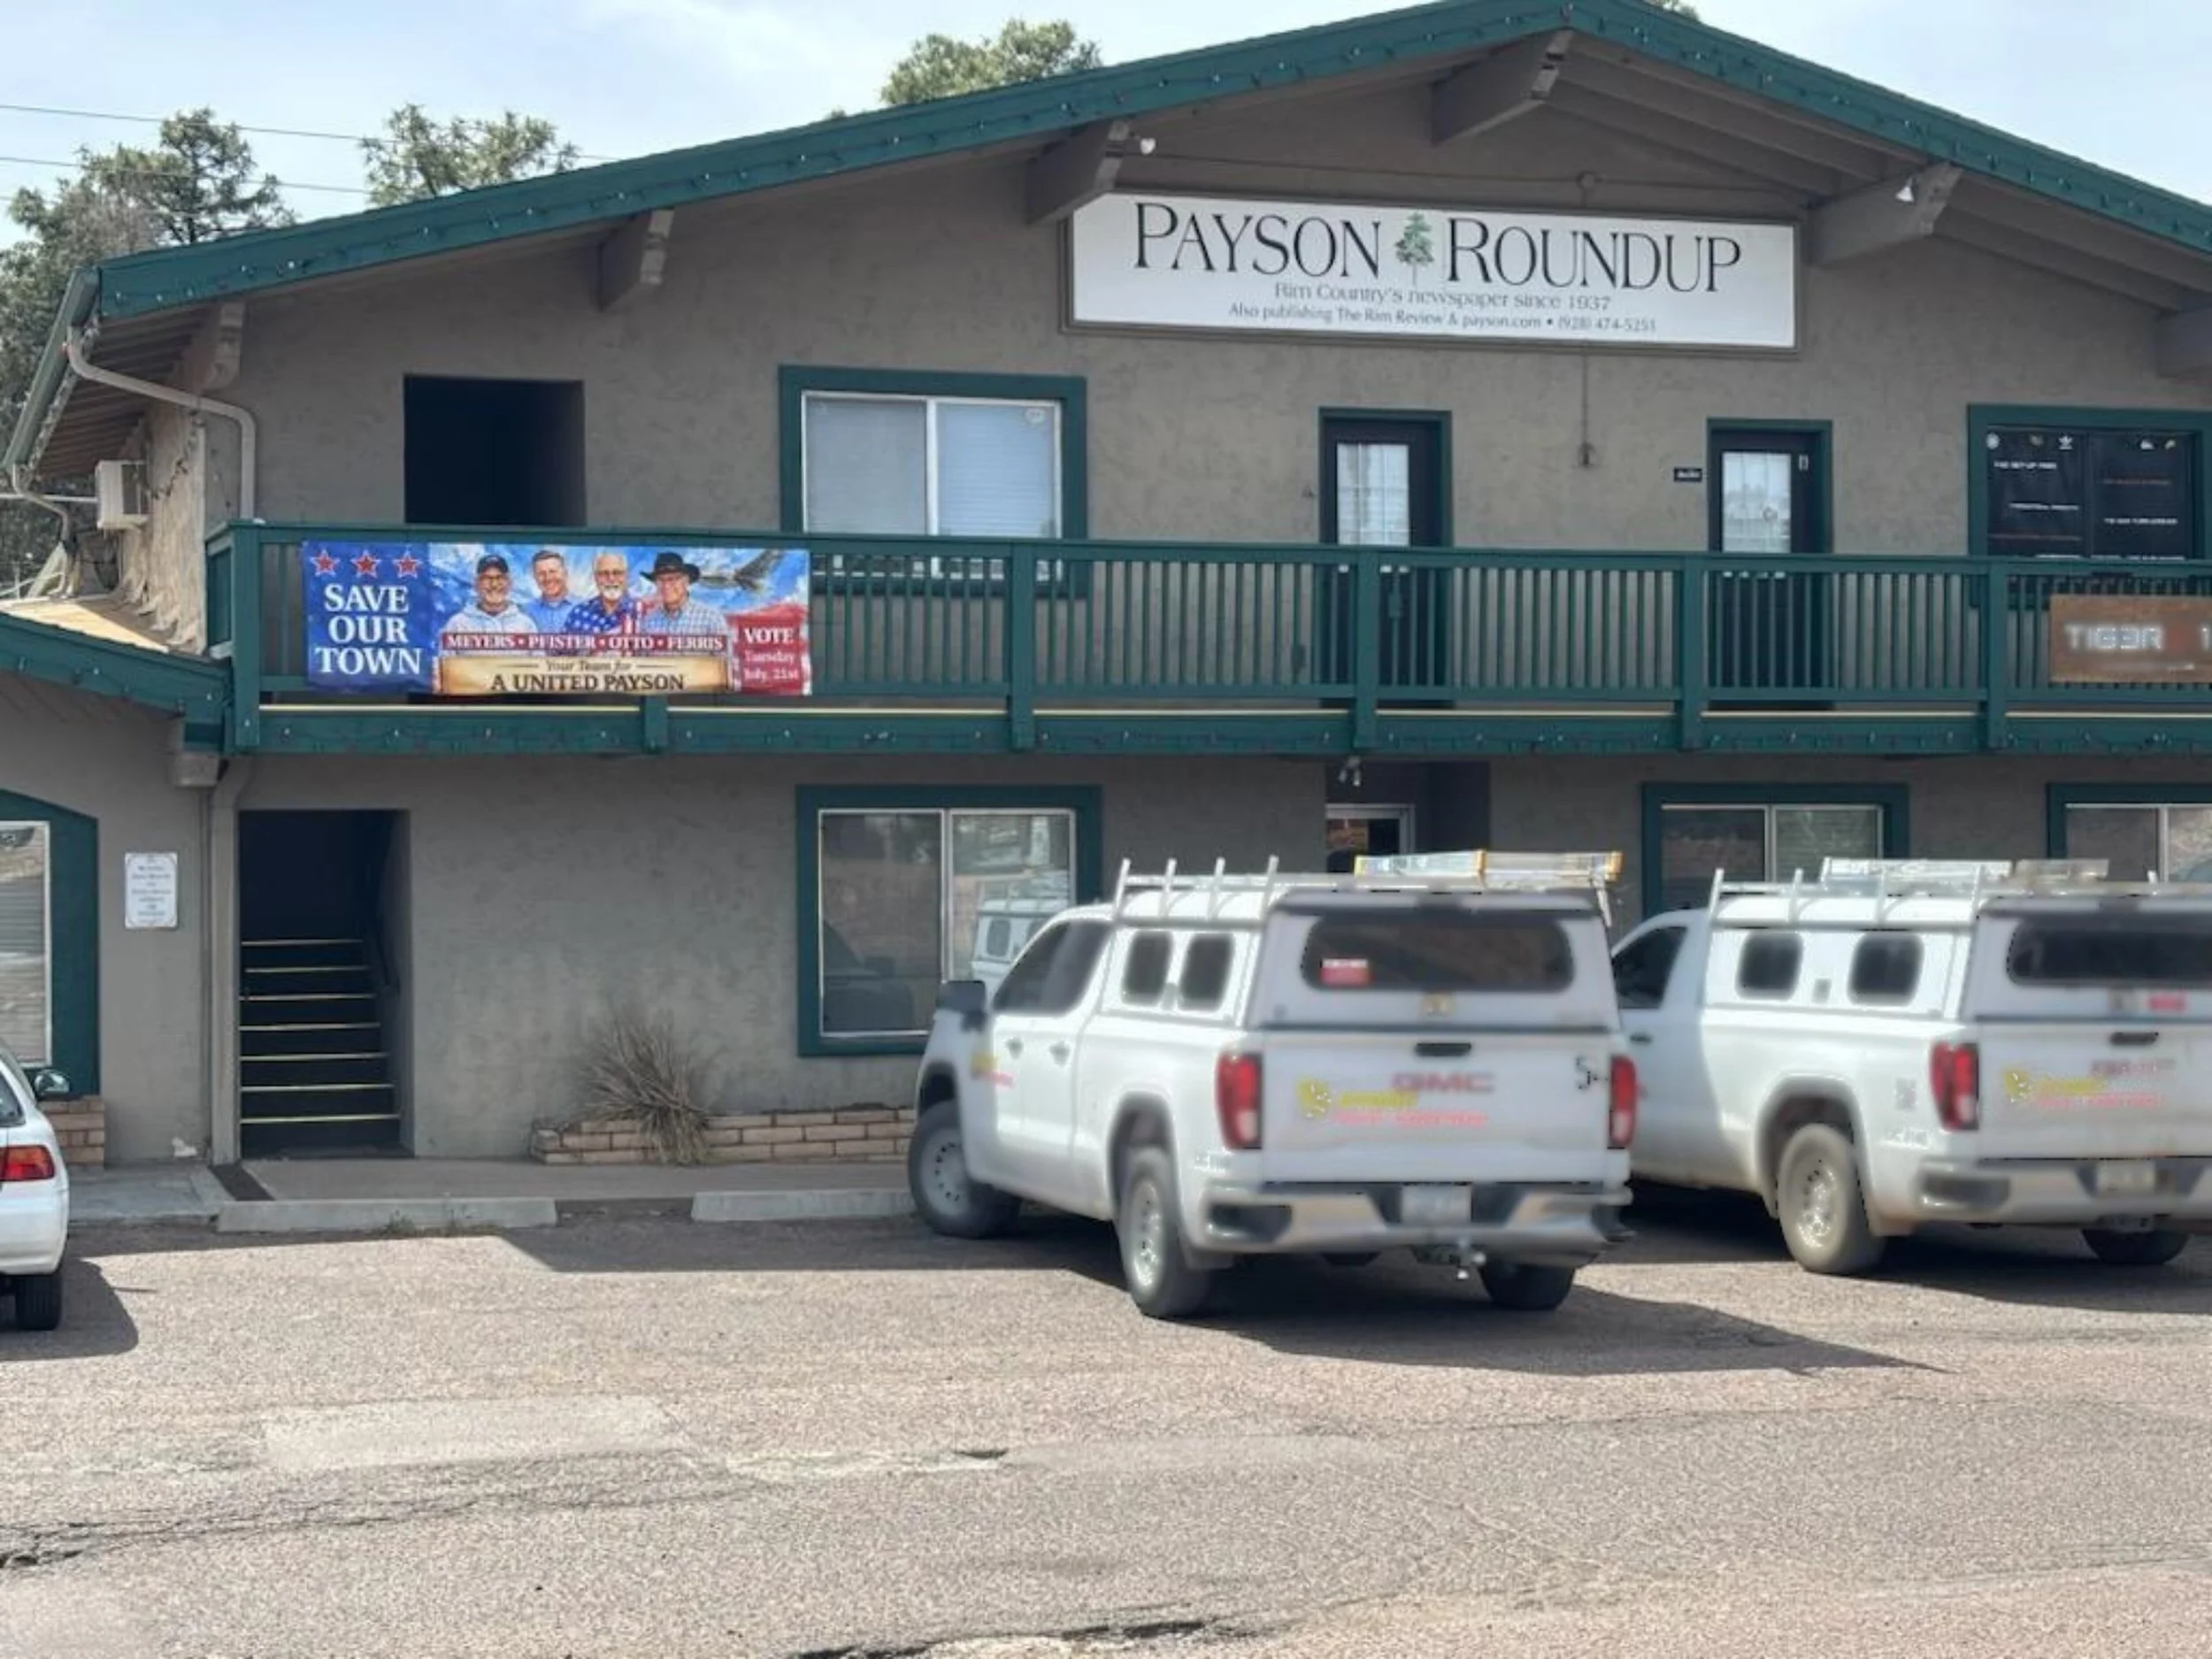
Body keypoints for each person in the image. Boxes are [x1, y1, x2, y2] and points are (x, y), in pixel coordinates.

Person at [441, 554, 537, 644]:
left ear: (509, 583)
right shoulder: (457, 625)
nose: (494, 585)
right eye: (487, 578)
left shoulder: (526, 625)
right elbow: (446, 662)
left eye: (500, 578)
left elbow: (538, 661)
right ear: (476, 584)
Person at [634, 550, 726, 637]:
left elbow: (725, 654)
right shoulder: (649, 622)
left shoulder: (711, 619)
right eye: (661, 580)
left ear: (686, 581)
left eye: (672, 579)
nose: (666, 586)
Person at [564, 552, 638, 637]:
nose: (611, 579)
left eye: (617, 573)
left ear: (626, 576)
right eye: (604, 573)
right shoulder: (578, 614)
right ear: (596, 578)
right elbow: (561, 650)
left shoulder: (640, 611)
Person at [521, 549, 578, 634]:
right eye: (541, 573)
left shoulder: (585, 607)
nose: (548, 578)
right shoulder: (525, 611)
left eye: (553, 571)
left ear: (565, 573)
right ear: (535, 577)